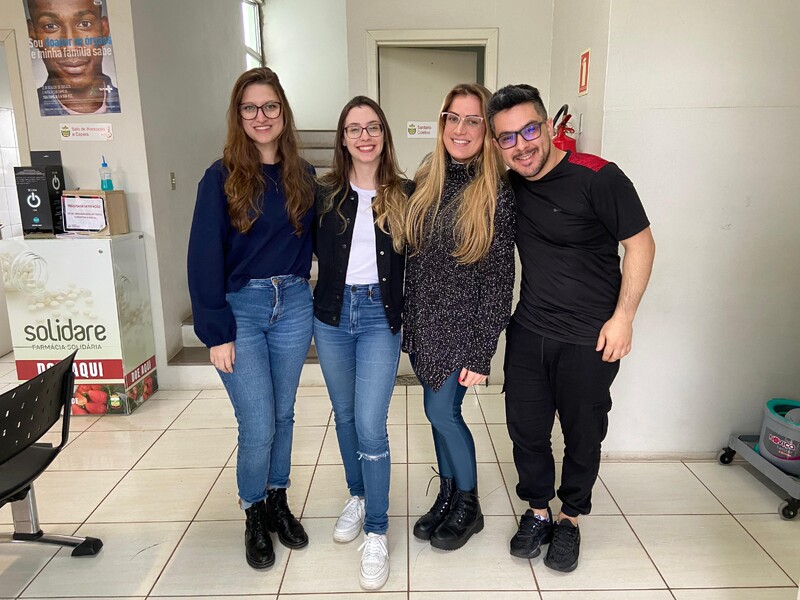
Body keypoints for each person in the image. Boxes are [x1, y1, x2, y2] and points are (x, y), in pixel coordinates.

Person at [487, 84, 656, 572]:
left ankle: (570, 519)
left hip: (590, 339)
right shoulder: (509, 185)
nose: (521, 146)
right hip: (529, 331)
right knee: (526, 431)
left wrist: (624, 318)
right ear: (497, 144)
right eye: (507, 138)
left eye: (529, 130)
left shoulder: (599, 177)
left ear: (547, 125)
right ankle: (538, 511)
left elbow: (641, 245)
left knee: (583, 435)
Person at [187, 67, 315, 570]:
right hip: (243, 308)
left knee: (283, 415)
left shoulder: (302, 175)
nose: (261, 117)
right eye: (250, 108)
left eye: (270, 106)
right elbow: (203, 258)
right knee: (258, 421)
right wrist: (215, 331)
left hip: (294, 304)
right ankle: (254, 512)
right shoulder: (219, 177)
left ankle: (278, 499)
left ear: (283, 112)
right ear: (238, 116)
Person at [403, 83, 515, 551]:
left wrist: (481, 351)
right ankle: (448, 496)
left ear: (487, 131)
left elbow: (500, 282)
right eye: (454, 118)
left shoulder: (497, 194)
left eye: (473, 120)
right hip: (425, 325)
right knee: (436, 417)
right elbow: (416, 261)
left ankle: (469, 506)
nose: (461, 128)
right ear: (443, 122)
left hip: (462, 329)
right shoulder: (427, 177)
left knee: (442, 412)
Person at [313, 96, 412, 589]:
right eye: (354, 129)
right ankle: (358, 495)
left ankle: (376, 529)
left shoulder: (406, 193)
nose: (364, 136)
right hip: (332, 316)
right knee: (346, 415)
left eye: (372, 127)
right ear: (343, 138)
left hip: (379, 316)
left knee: (371, 424)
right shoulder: (324, 192)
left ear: (384, 135)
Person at [26, 0, 121, 116]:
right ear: (32, 33)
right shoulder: (25, 111)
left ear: (104, 29)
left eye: (85, 24)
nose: (70, 47)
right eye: (51, 26)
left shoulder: (132, 103)